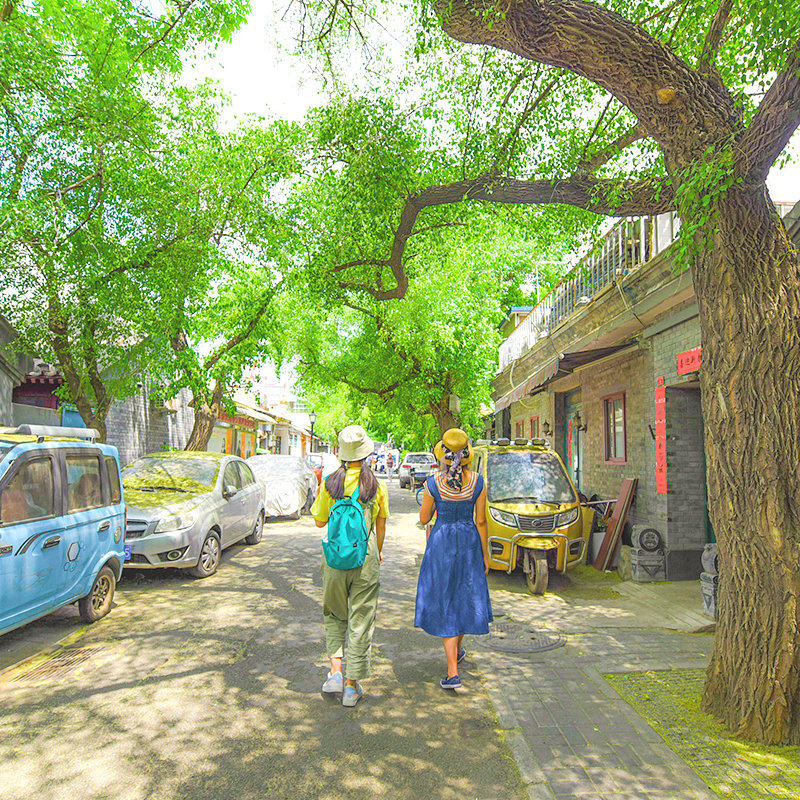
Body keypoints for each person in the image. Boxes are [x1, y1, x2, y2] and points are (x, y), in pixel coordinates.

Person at [312, 425, 389, 707]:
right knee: (361, 619)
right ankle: (350, 685)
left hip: (334, 558)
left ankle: (334, 671)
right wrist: (377, 553)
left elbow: (320, 521)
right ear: (366, 453)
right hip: (365, 559)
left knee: (334, 614)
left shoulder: (330, 483)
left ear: (342, 454)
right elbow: (380, 526)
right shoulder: (375, 486)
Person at [414, 428, 492, 689]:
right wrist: (485, 554)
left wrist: (438, 505)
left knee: (446, 599)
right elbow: (481, 521)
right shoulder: (478, 482)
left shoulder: (433, 483)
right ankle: (456, 652)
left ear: (442, 456)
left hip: (442, 543)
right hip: (469, 541)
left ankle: (452, 671)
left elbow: (424, 519)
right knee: (464, 596)